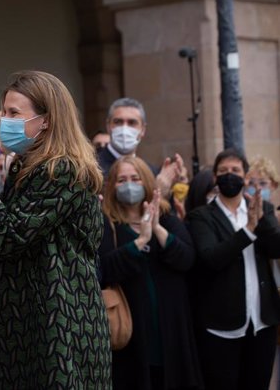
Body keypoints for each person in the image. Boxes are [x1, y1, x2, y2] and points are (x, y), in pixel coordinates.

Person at [0, 70, 110, 388]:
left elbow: (8, 237)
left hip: (58, 324)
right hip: (27, 322)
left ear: (46, 119)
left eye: (14, 113)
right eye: (4, 112)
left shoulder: (63, 170)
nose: (6, 122)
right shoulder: (28, 166)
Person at [99, 156, 203, 390]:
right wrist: (140, 242)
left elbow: (187, 259)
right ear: (112, 186)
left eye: (135, 178)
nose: (129, 184)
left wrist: (156, 230)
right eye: (121, 179)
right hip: (132, 331)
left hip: (171, 328)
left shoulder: (166, 216)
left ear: (145, 181)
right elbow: (105, 268)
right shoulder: (108, 223)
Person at [186, 148, 280, 390]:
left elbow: (276, 248)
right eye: (223, 171)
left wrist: (263, 219)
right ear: (216, 178)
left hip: (261, 323)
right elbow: (211, 258)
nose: (230, 175)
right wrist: (248, 230)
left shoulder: (263, 209)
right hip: (221, 326)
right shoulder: (201, 217)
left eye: (235, 171)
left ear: (245, 176)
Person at [97, 97, 183, 198]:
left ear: (143, 130)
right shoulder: (92, 167)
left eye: (132, 122)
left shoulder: (153, 173)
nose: (125, 128)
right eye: (118, 122)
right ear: (108, 126)